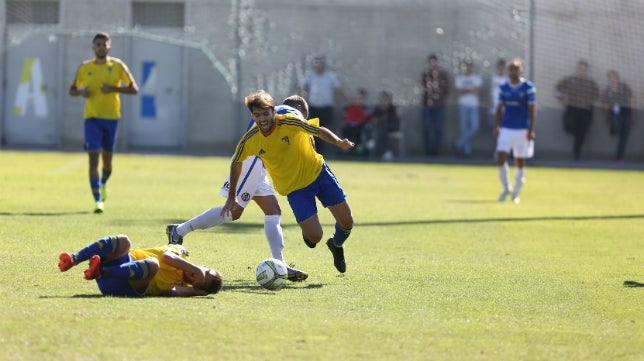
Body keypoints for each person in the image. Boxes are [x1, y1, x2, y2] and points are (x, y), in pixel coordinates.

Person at [166, 97, 310, 282]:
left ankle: (279, 263)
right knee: (233, 212)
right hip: (252, 162)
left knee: (273, 211)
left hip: (258, 163)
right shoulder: (283, 113)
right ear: (298, 108)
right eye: (303, 115)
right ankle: (179, 231)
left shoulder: (274, 114)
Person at [222, 90, 355, 273]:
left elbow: (317, 131)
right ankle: (308, 231)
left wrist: (338, 141)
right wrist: (231, 197)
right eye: (257, 115)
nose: (262, 119)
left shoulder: (290, 122)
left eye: (266, 114)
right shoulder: (250, 140)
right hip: (295, 189)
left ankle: (336, 245)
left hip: (319, 173)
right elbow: (236, 164)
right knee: (315, 236)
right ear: (252, 116)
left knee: (347, 221)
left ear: (273, 112)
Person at [69, 32, 139, 213]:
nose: (101, 47)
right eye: (97, 44)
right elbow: (72, 90)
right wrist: (81, 93)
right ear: (93, 48)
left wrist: (113, 89)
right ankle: (98, 200)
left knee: (107, 163)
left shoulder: (117, 66)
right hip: (91, 118)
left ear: (109, 47)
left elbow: (134, 89)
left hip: (112, 118)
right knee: (93, 158)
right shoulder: (84, 68)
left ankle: (103, 183)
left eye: (104, 44)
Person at [58, 234, 223, 297]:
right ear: (203, 265)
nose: (199, 274)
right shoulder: (182, 253)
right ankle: (74, 259)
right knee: (124, 240)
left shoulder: (182, 285)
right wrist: (194, 268)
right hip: (121, 263)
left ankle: (101, 271)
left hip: (124, 287)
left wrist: (195, 292)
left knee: (152, 264)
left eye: (202, 279)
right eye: (205, 271)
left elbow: (172, 292)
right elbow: (167, 257)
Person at [494, 58, 536, 204]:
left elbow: (532, 110)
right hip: (506, 128)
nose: (514, 71)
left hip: (522, 129)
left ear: (521, 70)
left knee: (520, 161)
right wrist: (497, 126)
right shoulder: (504, 87)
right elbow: (499, 108)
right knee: (501, 157)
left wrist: (531, 130)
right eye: (511, 69)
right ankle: (506, 188)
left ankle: (516, 194)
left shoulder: (528, 88)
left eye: (516, 69)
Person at [297, 56, 346, 155]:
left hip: (326, 108)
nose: (319, 65)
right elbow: (300, 86)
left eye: (321, 63)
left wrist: (344, 100)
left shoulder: (330, 76)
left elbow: (338, 88)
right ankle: (313, 151)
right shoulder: (310, 75)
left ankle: (324, 152)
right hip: (313, 107)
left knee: (325, 129)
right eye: (317, 63)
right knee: (313, 129)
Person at [556, 59, 599, 161]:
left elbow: (596, 95)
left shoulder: (591, 82)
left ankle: (576, 153)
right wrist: (561, 98)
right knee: (567, 126)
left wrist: (588, 101)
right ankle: (576, 135)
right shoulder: (570, 79)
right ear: (577, 69)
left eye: (584, 69)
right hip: (572, 108)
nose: (582, 71)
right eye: (580, 68)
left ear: (587, 70)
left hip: (585, 110)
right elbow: (558, 88)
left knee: (581, 133)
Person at [600, 70, 634, 162]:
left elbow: (631, 100)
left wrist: (632, 114)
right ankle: (613, 128)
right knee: (616, 124)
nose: (613, 79)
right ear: (608, 79)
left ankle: (619, 156)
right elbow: (605, 104)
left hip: (626, 111)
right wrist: (606, 115)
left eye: (614, 77)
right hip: (614, 112)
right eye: (611, 77)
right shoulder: (607, 91)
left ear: (617, 78)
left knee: (624, 135)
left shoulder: (625, 87)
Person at [420, 54, 450, 156]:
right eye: (431, 62)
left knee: (438, 128)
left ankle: (436, 151)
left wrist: (440, 97)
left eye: (434, 62)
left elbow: (446, 90)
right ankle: (428, 151)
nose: (433, 64)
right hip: (427, 106)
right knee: (426, 127)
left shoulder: (442, 75)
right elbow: (423, 90)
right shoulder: (425, 75)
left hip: (439, 106)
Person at [454, 58, 482, 157]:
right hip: (463, 105)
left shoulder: (476, 77)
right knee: (464, 128)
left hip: (473, 105)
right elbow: (459, 92)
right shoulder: (460, 78)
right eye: (466, 65)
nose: (468, 68)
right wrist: (471, 90)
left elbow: (478, 90)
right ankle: (467, 151)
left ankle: (459, 143)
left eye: (470, 65)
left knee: (474, 127)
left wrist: (465, 90)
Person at [340, 87, 372, 157]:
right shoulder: (350, 107)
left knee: (360, 134)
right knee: (346, 131)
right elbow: (345, 117)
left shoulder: (365, 108)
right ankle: (346, 150)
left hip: (360, 127)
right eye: (356, 98)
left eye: (360, 98)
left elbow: (367, 118)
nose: (357, 100)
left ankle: (359, 151)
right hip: (349, 127)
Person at [371, 90, 400, 161]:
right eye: (382, 98)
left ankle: (374, 141)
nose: (383, 100)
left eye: (385, 99)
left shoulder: (392, 108)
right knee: (383, 132)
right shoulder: (378, 108)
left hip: (392, 126)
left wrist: (384, 111)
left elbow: (392, 119)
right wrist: (375, 120)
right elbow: (373, 117)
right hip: (381, 128)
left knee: (383, 129)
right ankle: (388, 152)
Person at [489, 59, 508, 128]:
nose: (501, 69)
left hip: (503, 108)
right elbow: (489, 92)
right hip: (494, 107)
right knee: (494, 126)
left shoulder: (507, 80)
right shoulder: (493, 78)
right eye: (499, 67)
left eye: (502, 67)